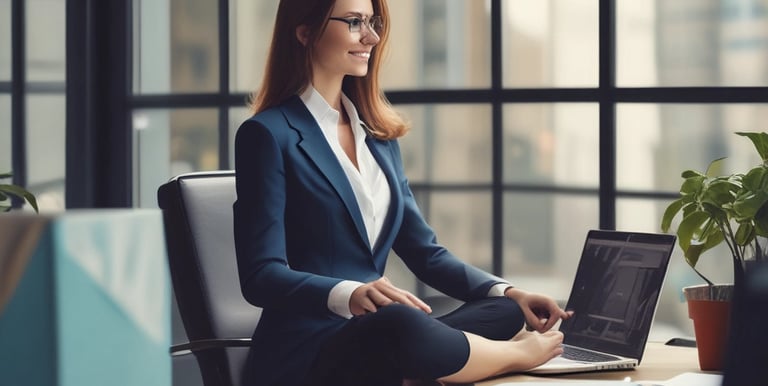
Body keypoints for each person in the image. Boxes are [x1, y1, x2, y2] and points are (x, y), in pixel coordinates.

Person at [233, 0, 571, 385]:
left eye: (373, 22)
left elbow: (425, 254)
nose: (372, 37)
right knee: (401, 322)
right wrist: (349, 292)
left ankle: (423, 369)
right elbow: (261, 275)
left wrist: (509, 291)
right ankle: (512, 356)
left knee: (505, 311)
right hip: (310, 348)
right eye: (354, 22)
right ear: (304, 31)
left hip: (377, 337)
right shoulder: (267, 135)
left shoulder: (378, 138)